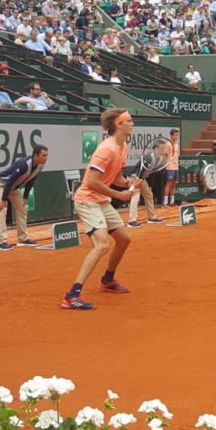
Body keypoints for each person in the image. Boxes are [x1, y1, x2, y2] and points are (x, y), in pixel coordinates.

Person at [64, 108, 141, 311]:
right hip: (88, 200)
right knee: (101, 244)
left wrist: (127, 184)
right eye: (129, 120)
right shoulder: (106, 149)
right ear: (118, 124)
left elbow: (115, 176)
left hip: (101, 200)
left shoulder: (122, 146)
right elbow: (91, 182)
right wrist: (119, 195)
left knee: (124, 239)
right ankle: (72, 295)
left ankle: (107, 280)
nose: (132, 124)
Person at [0, 145, 47, 251]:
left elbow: (31, 180)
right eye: (44, 155)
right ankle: (1, 242)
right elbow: (10, 181)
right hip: (0, 184)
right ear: (36, 156)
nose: (46, 158)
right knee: (2, 209)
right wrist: (3, 200)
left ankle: (23, 239)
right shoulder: (24, 164)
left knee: (22, 208)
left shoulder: (40, 165)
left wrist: (25, 197)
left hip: (12, 187)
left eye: (47, 155)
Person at [127, 138, 171, 228]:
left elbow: (152, 174)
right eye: (162, 148)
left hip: (142, 179)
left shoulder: (160, 159)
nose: (164, 150)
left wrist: (149, 185)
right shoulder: (149, 157)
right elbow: (140, 169)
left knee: (149, 195)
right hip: (134, 177)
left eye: (164, 148)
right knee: (136, 197)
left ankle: (152, 218)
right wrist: (136, 180)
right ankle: (132, 221)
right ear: (156, 148)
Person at [162, 128, 180, 207]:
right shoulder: (168, 144)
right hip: (170, 167)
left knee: (173, 185)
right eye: (175, 135)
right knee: (169, 184)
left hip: (176, 167)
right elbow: (165, 155)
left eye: (177, 135)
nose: (177, 137)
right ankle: (165, 203)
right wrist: (166, 165)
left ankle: (172, 202)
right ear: (171, 135)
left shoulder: (177, 145)